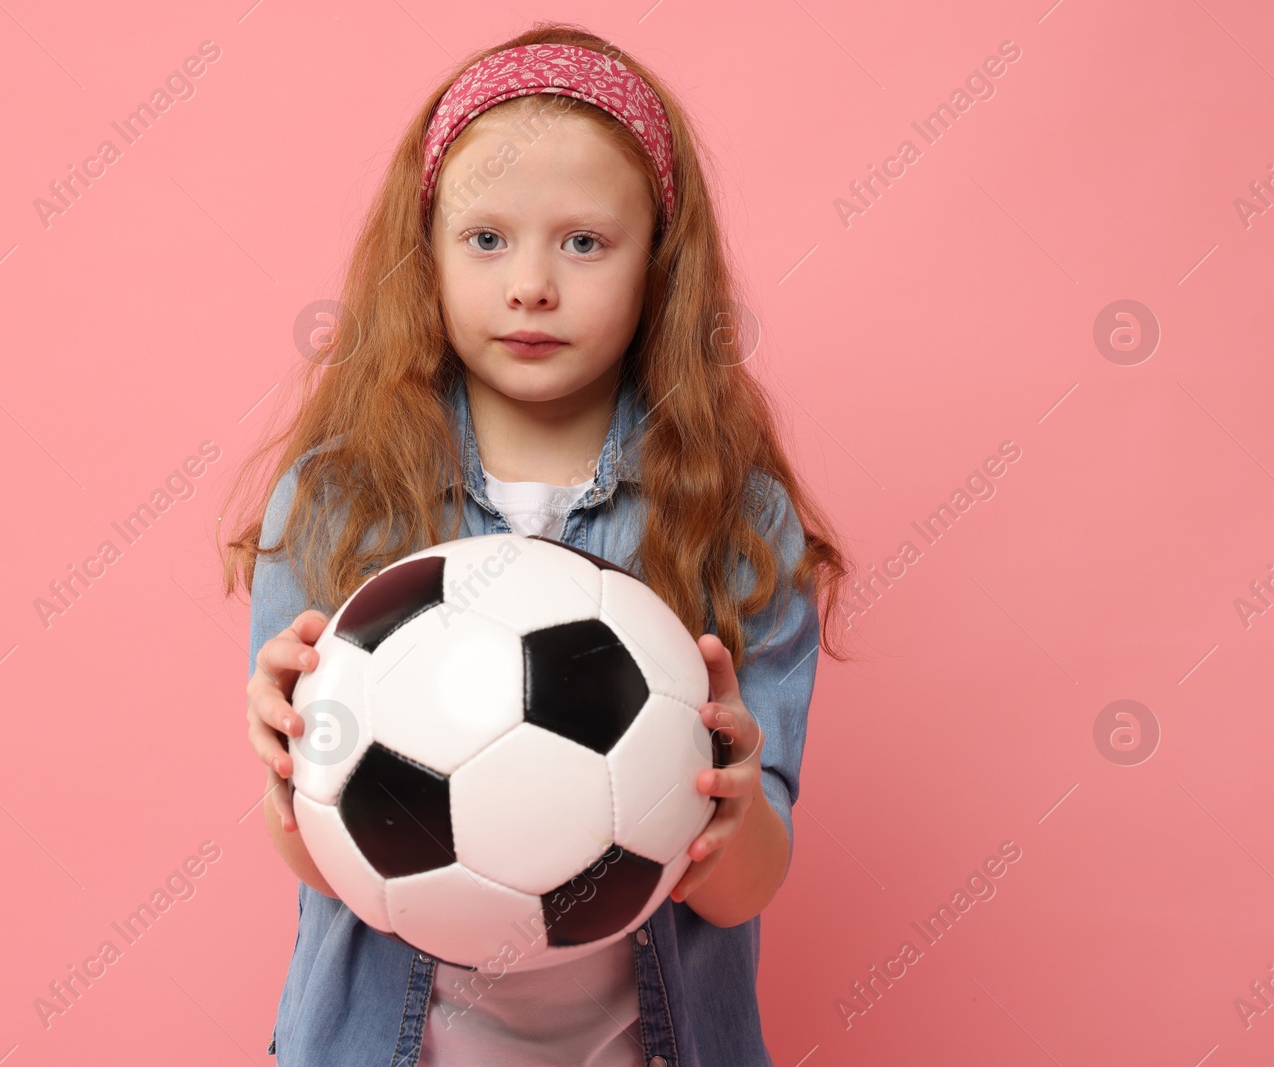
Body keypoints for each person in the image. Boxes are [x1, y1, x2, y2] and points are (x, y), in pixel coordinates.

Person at [220, 21, 851, 1067]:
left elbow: (750, 883)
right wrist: (295, 773)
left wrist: (731, 802)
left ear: (660, 257)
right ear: (424, 254)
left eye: (585, 242)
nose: (531, 285)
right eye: (485, 239)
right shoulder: (338, 498)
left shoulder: (738, 519)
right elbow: (322, 863)